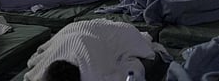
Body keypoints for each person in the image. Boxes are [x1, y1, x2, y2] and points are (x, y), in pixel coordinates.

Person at [23, 19, 171, 81]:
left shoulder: (93, 71)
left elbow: (119, 75)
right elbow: (36, 59)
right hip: (72, 31)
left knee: (140, 44)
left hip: (115, 33)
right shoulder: (43, 72)